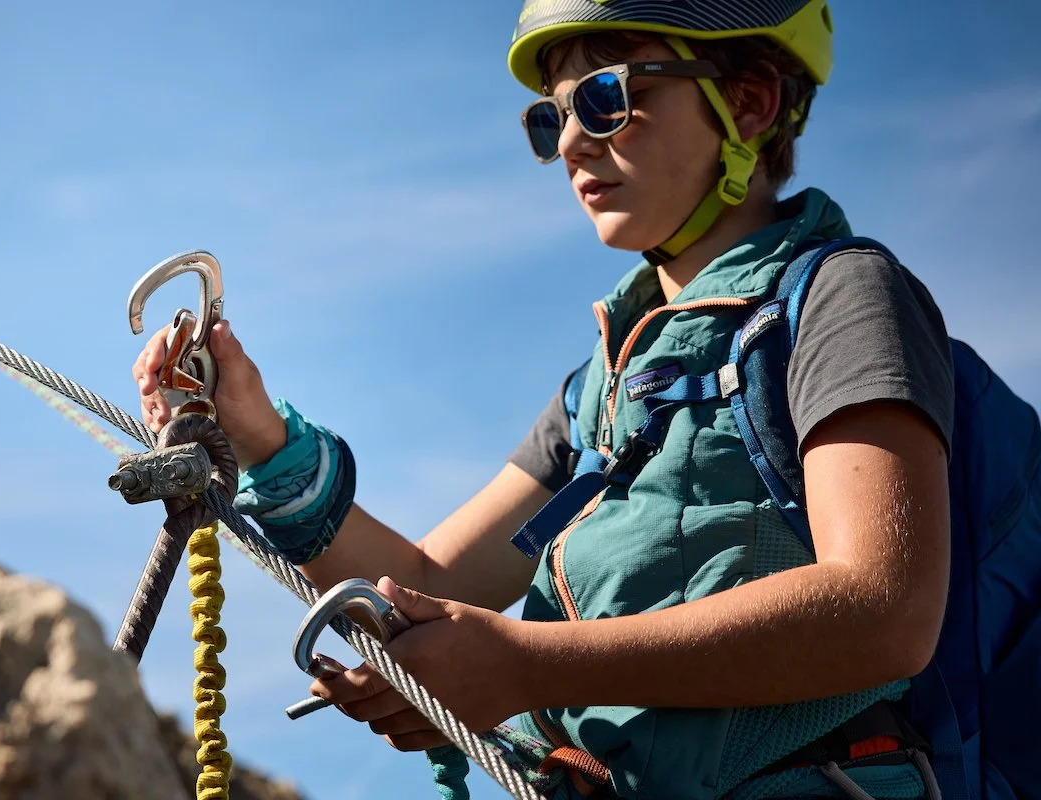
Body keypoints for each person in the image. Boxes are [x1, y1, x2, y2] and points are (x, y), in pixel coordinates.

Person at [133, 1, 955, 797]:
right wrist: (263, 440)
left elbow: (886, 609)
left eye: (605, 98)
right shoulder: (602, 386)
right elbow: (423, 579)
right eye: (549, 117)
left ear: (748, 103)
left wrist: (526, 665)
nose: (567, 143)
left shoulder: (842, 297)